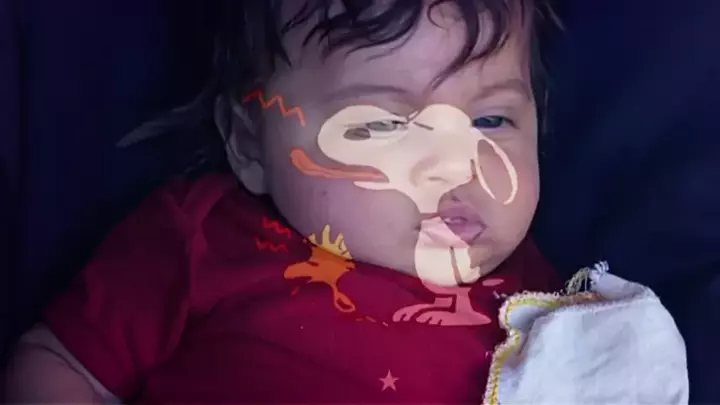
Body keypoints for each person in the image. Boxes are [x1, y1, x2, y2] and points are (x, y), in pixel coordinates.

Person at [3, 1, 687, 403]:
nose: (455, 164)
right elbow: (61, 363)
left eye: (490, 120)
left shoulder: (552, 307)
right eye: (381, 126)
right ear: (250, 143)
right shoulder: (202, 236)